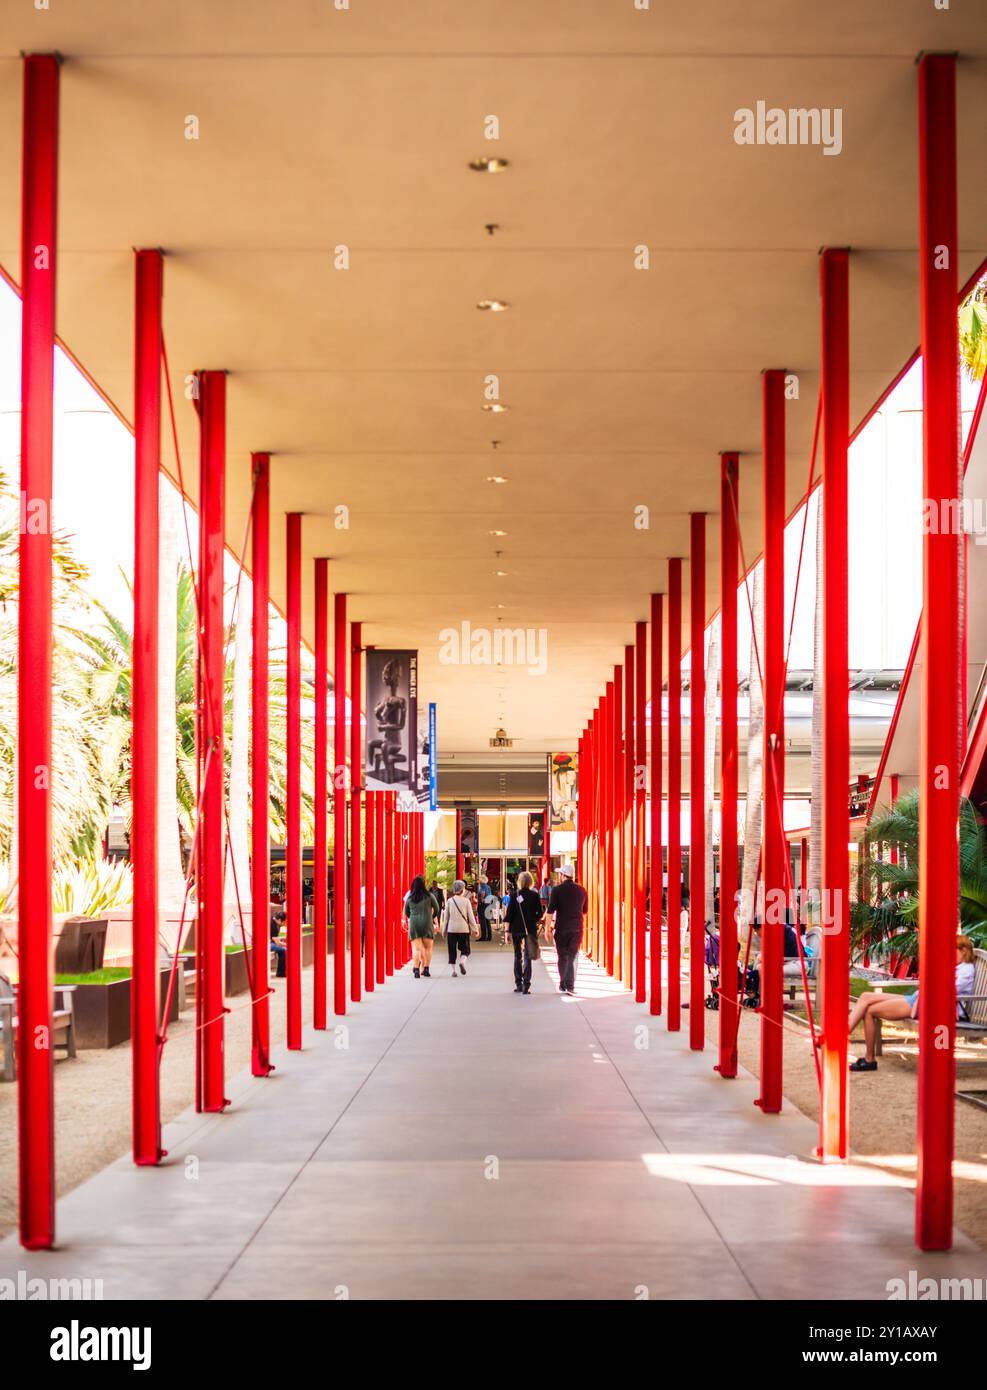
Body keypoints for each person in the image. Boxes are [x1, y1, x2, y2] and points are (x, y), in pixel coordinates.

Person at [848, 935, 978, 1072]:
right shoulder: (956, 967)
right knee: (865, 996)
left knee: (870, 1010)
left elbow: (947, 990)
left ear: (963, 951)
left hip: (928, 1005)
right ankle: (843, 1035)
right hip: (920, 999)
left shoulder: (966, 970)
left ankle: (869, 1059)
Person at [545, 862, 588, 996]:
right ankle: (570, 985)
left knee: (562, 956)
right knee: (573, 956)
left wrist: (547, 929)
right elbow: (585, 911)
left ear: (563, 875)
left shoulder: (556, 890)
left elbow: (550, 911)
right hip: (577, 928)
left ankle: (564, 983)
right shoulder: (582, 890)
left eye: (560, 874)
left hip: (562, 928)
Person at [506, 870, 544, 994]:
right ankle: (526, 985)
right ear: (531, 882)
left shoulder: (514, 895)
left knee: (517, 956)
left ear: (520, 882)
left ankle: (518, 984)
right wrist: (533, 919)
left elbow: (509, 915)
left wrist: (507, 931)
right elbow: (540, 913)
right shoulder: (534, 895)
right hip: (530, 929)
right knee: (528, 956)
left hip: (516, 929)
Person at [403, 874, 440, 978]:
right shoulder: (429, 896)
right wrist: (431, 916)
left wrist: (413, 917)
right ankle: (426, 969)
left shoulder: (410, 897)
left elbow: (406, 911)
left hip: (414, 924)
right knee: (428, 948)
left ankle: (416, 970)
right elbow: (437, 908)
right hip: (427, 923)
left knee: (416, 949)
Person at [440, 879, 479, 976]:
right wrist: (475, 929)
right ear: (462, 889)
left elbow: (446, 918)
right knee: (466, 949)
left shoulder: (449, 901)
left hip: (451, 929)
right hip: (463, 929)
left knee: (452, 950)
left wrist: (444, 931)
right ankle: (462, 962)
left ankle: (453, 971)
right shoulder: (466, 901)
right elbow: (471, 917)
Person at [269, 909, 287, 979]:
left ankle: (281, 972)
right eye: (282, 922)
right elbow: (277, 942)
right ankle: (281, 972)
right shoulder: (273, 926)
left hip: (269, 942)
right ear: (279, 919)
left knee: (283, 949)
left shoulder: (272, 920)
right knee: (283, 950)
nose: (282, 924)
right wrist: (288, 945)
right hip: (268, 944)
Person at [477, 875, 493, 942]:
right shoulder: (488, 887)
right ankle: (489, 937)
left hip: (483, 905)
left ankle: (483, 936)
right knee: (488, 921)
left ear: (481, 880)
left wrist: (482, 899)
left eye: (479, 879)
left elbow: (483, 893)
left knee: (483, 921)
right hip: (488, 904)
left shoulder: (482, 886)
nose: (478, 881)